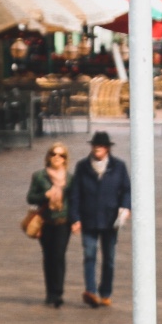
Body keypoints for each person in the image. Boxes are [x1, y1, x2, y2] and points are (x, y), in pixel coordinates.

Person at [70, 131, 131, 308]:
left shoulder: (119, 166)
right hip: (88, 218)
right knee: (89, 254)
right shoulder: (82, 166)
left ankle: (105, 292)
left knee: (109, 258)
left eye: (102, 146)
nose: (98, 149)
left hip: (110, 219)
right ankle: (91, 291)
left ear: (108, 149)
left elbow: (126, 189)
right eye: (96, 146)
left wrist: (125, 207)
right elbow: (75, 194)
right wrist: (75, 218)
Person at [28, 142, 75, 309]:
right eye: (54, 154)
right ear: (49, 157)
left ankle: (58, 293)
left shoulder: (70, 179)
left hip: (63, 222)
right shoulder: (39, 176)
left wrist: (76, 220)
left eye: (61, 155)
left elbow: (75, 201)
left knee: (59, 255)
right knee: (48, 257)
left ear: (65, 159)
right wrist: (44, 195)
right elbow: (30, 198)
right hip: (46, 222)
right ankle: (50, 292)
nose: (57, 157)